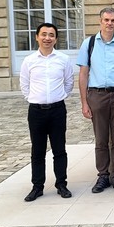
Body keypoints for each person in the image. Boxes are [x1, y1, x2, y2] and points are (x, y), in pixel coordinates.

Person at [76, 7, 114, 195]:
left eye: (113, 20)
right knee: (100, 139)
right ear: (100, 21)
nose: (109, 23)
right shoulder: (89, 43)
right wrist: (84, 102)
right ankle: (102, 176)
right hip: (97, 95)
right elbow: (83, 74)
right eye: (106, 20)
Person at [19, 22, 74, 202]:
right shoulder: (29, 61)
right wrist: (35, 99)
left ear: (56, 39)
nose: (47, 38)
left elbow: (69, 83)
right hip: (36, 112)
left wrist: (58, 97)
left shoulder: (63, 59)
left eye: (51, 35)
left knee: (59, 150)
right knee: (37, 151)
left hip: (57, 110)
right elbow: (24, 85)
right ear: (37, 37)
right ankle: (37, 186)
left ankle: (61, 184)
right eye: (44, 34)